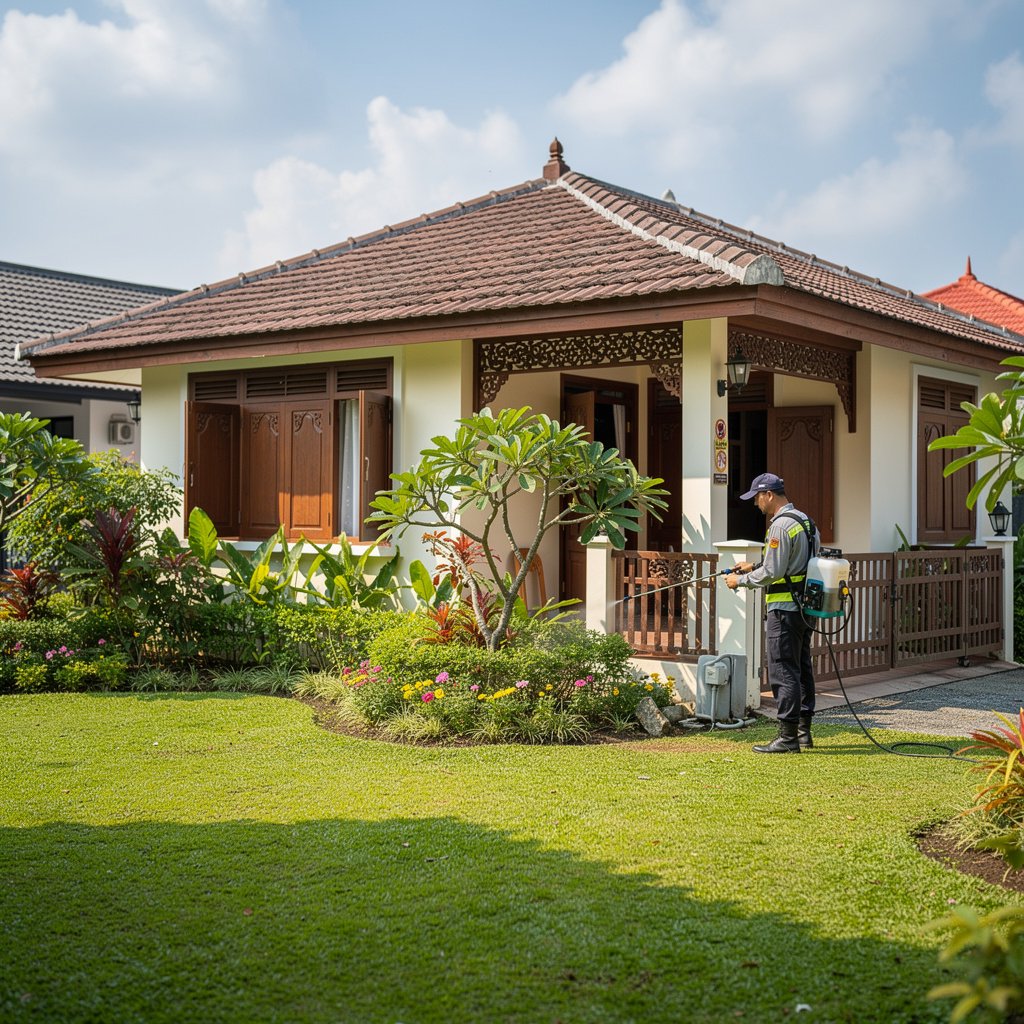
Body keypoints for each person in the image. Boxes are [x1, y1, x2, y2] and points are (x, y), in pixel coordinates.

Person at [725, 472, 818, 754]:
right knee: (801, 667)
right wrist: (753, 566)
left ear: (769, 495)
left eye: (757, 497)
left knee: (783, 670)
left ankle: (787, 738)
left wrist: (739, 581)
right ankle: (803, 733)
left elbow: (775, 571)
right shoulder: (806, 522)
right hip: (805, 608)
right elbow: (795, 564)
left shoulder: (779, 526)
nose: (755, 503)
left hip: (784, 609)